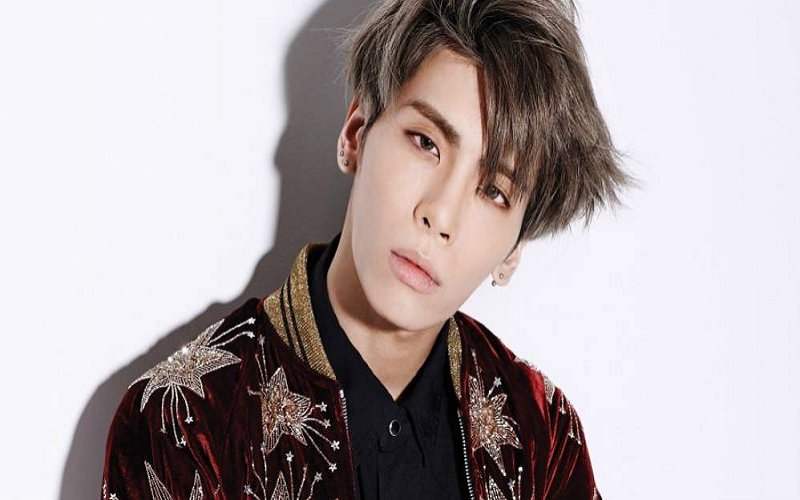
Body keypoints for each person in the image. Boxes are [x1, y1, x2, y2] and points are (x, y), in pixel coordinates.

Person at [101, 0, 630, 498]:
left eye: (494, 191)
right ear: (356, 131)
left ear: (515, 248)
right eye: (426, 142)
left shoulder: (543, 435)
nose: (440, 215)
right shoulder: (185, 422)